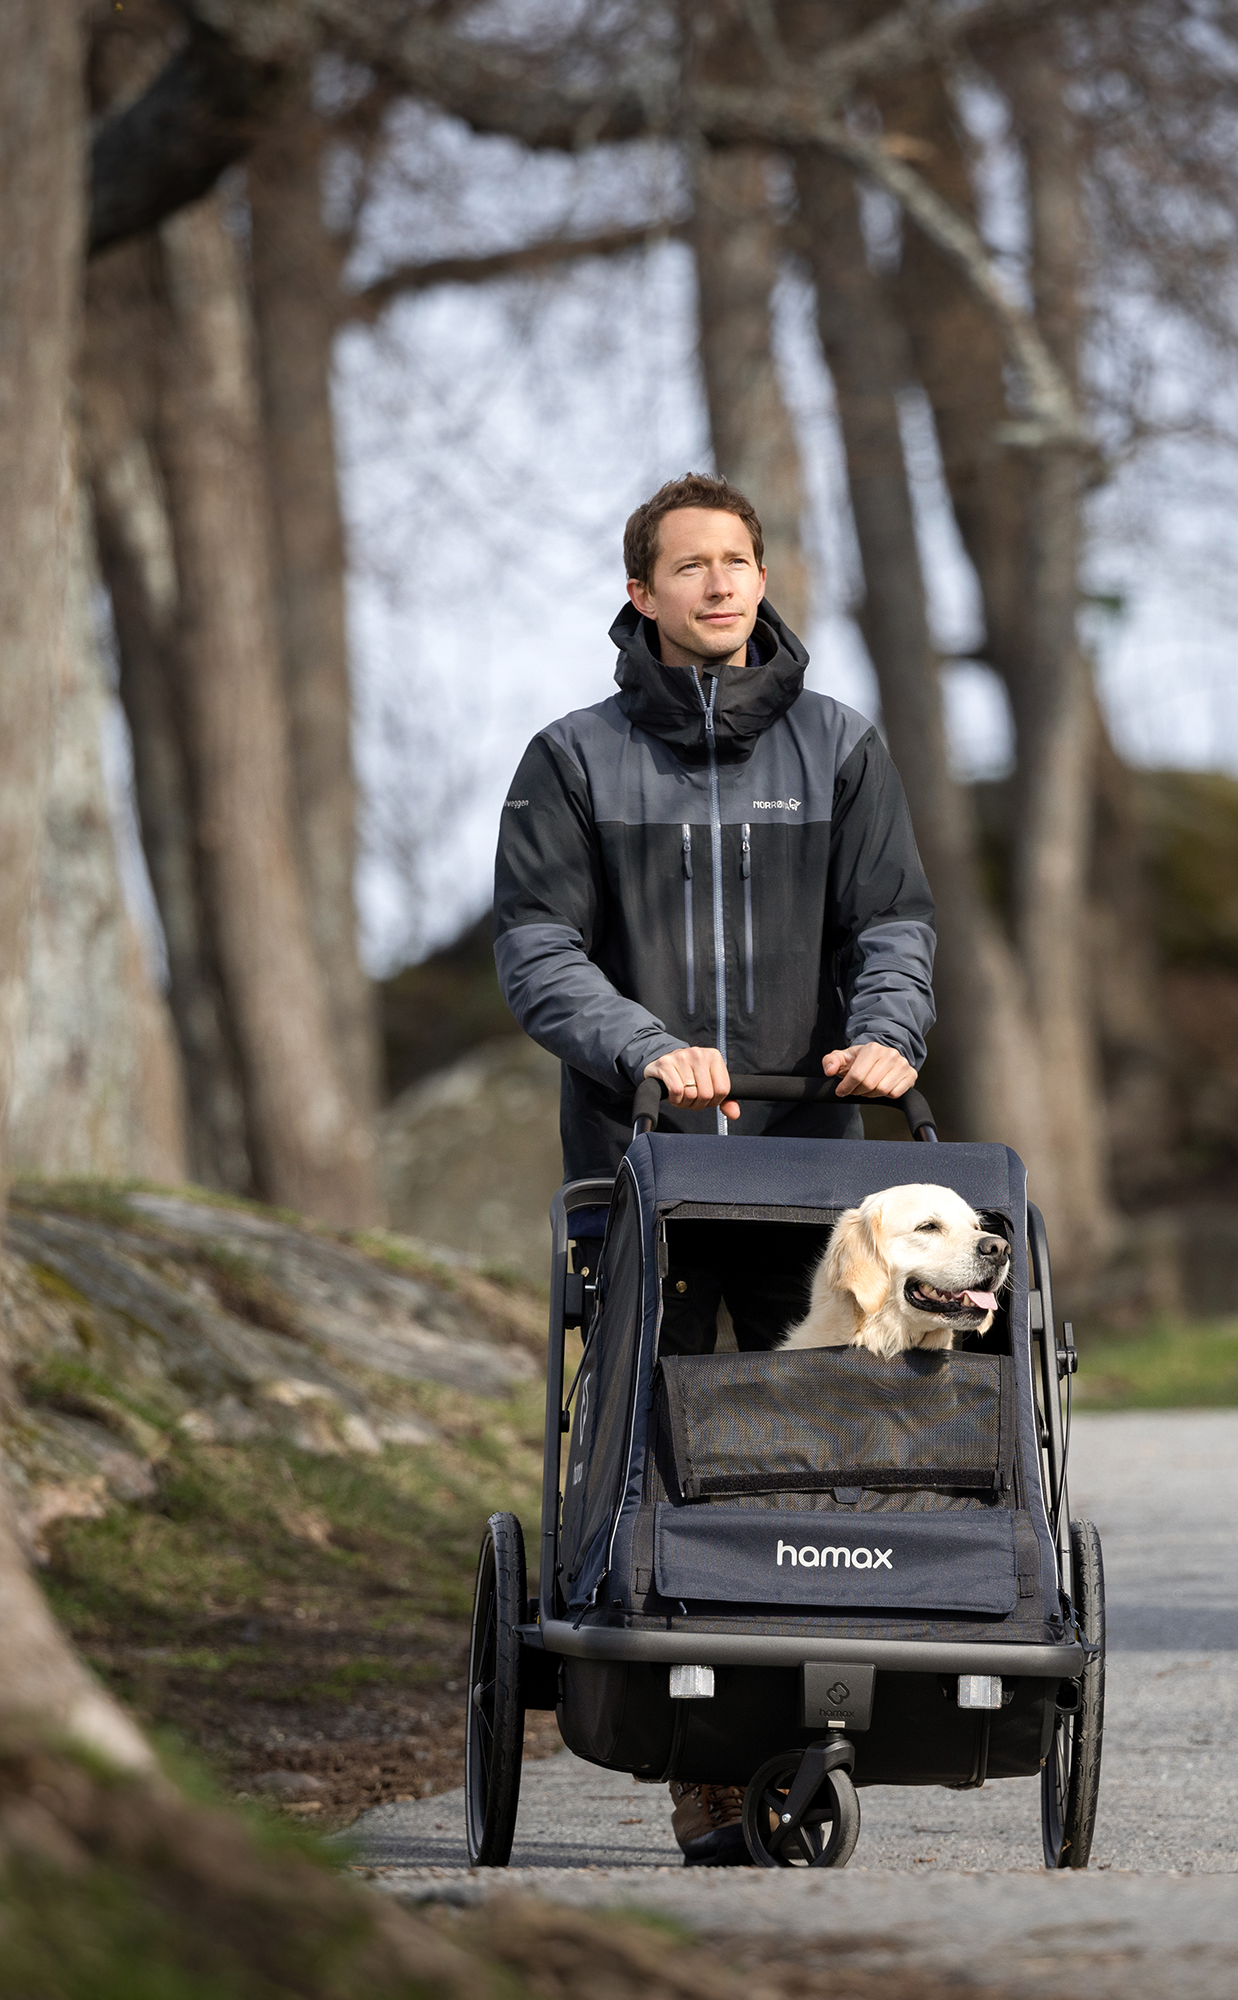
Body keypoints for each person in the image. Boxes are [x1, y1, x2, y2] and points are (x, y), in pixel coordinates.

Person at [493, 470, 937, 1864]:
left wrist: (885, 1034)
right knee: (674, 1448)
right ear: (642, 593)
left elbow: (894, 925)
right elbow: (537, 949)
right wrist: (643, 1045)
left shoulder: (841, 746)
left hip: (816, 1177)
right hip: (645, 1171)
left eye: (737, 560)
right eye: (689, 566)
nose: (720, 584)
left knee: (813, 1444)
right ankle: (705, 1766)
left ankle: (819, 1708)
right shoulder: (572, 760)